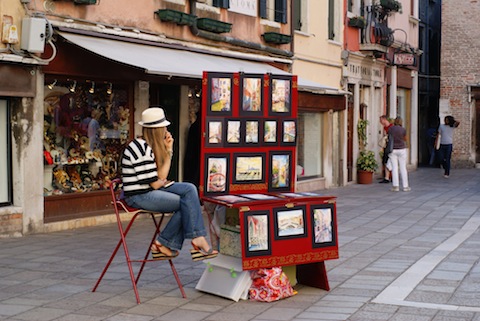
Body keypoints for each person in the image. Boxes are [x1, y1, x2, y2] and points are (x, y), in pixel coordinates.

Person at [121, 107, 218, 261]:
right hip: (138, 196)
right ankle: (168, 242)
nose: (166, 129)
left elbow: (160, 177)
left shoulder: (148, 146)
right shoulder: (139, 147)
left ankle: (179, 241)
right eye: (164, 127)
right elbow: (154, 183)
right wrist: (160, 181)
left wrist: (169, 151)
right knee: (186, 203)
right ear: (157, 129)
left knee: (189, 189)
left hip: (148, 190)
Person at [387, 117, 410, 192]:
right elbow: (405, 139)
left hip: (393, 149)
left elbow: (389, 137)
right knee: (403, 168)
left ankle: (395, 186)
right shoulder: (403, 129)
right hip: (402, 149)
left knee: (394, 168)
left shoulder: (391, 129)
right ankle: (405, 186)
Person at [379, 115, 393, 183]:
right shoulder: (385, 128)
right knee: (385, 161)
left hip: (390, 147)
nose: (380, 122)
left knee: (389, 162)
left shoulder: (390, 128)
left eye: (381, 120)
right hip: (386, 147)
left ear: (384, 119)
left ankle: (389, 177)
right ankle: (387, 177)